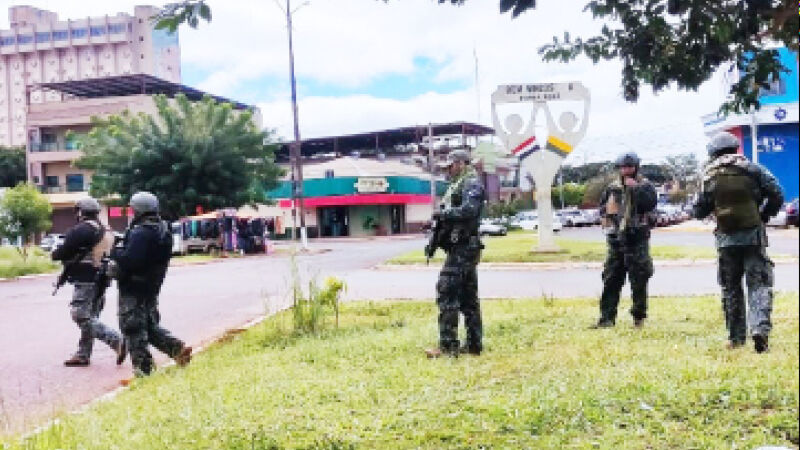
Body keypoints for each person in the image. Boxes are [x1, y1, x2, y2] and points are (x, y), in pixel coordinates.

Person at [693, 131, 783, 353]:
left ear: (713, 152)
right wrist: (763, 215)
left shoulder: (708, 175)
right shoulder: (753, 169)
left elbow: (698, 209)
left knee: (731, 288)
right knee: (759, 284)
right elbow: (777, 194)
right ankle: (760, 330)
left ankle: (736, 338)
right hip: (753, 236)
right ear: (735, 148)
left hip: (725, 239)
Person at [111, 192, 191, 376]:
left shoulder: (142, 233)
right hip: (151, 286)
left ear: (139, 210)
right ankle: (176, 348)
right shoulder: (162, 229)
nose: (131, 213)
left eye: (133, 209)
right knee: (147, 325)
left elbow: (131, 260)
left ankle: (144, 371)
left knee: (132, 328)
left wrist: (115, 251)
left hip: (134, 287)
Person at [425, 150, 486, 357]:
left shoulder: (472, 183)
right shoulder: (460, 183)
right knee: (468, 297)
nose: (448, 171)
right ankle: (474, 344)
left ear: (461, 164)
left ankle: (448, 345)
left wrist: (445, 214)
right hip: (461, 247)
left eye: (451, 166)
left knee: (447, 292)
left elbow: (470, 210)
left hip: (464, 248)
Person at [52, 198, 126, 367]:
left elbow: (62, 252)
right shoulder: (107, 230)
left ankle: (116, 340)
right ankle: (83, 354)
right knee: (91, 317)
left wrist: (55, 254)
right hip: (102, 278)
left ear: (80, 212)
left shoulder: (81, 230)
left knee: (80, 315)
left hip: (86, 278)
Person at [593, 152, 657, 329]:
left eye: (629, 167)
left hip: (636, 240)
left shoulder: (645, 186)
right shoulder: (612, 188)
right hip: (616, 241)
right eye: (623, 167)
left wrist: (635, 189)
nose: (626, 170)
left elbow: (650, 204)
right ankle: (606, 318)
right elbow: (602, 208)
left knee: (639, 279)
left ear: (636, 167)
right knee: (611, 278)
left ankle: (638, 317)